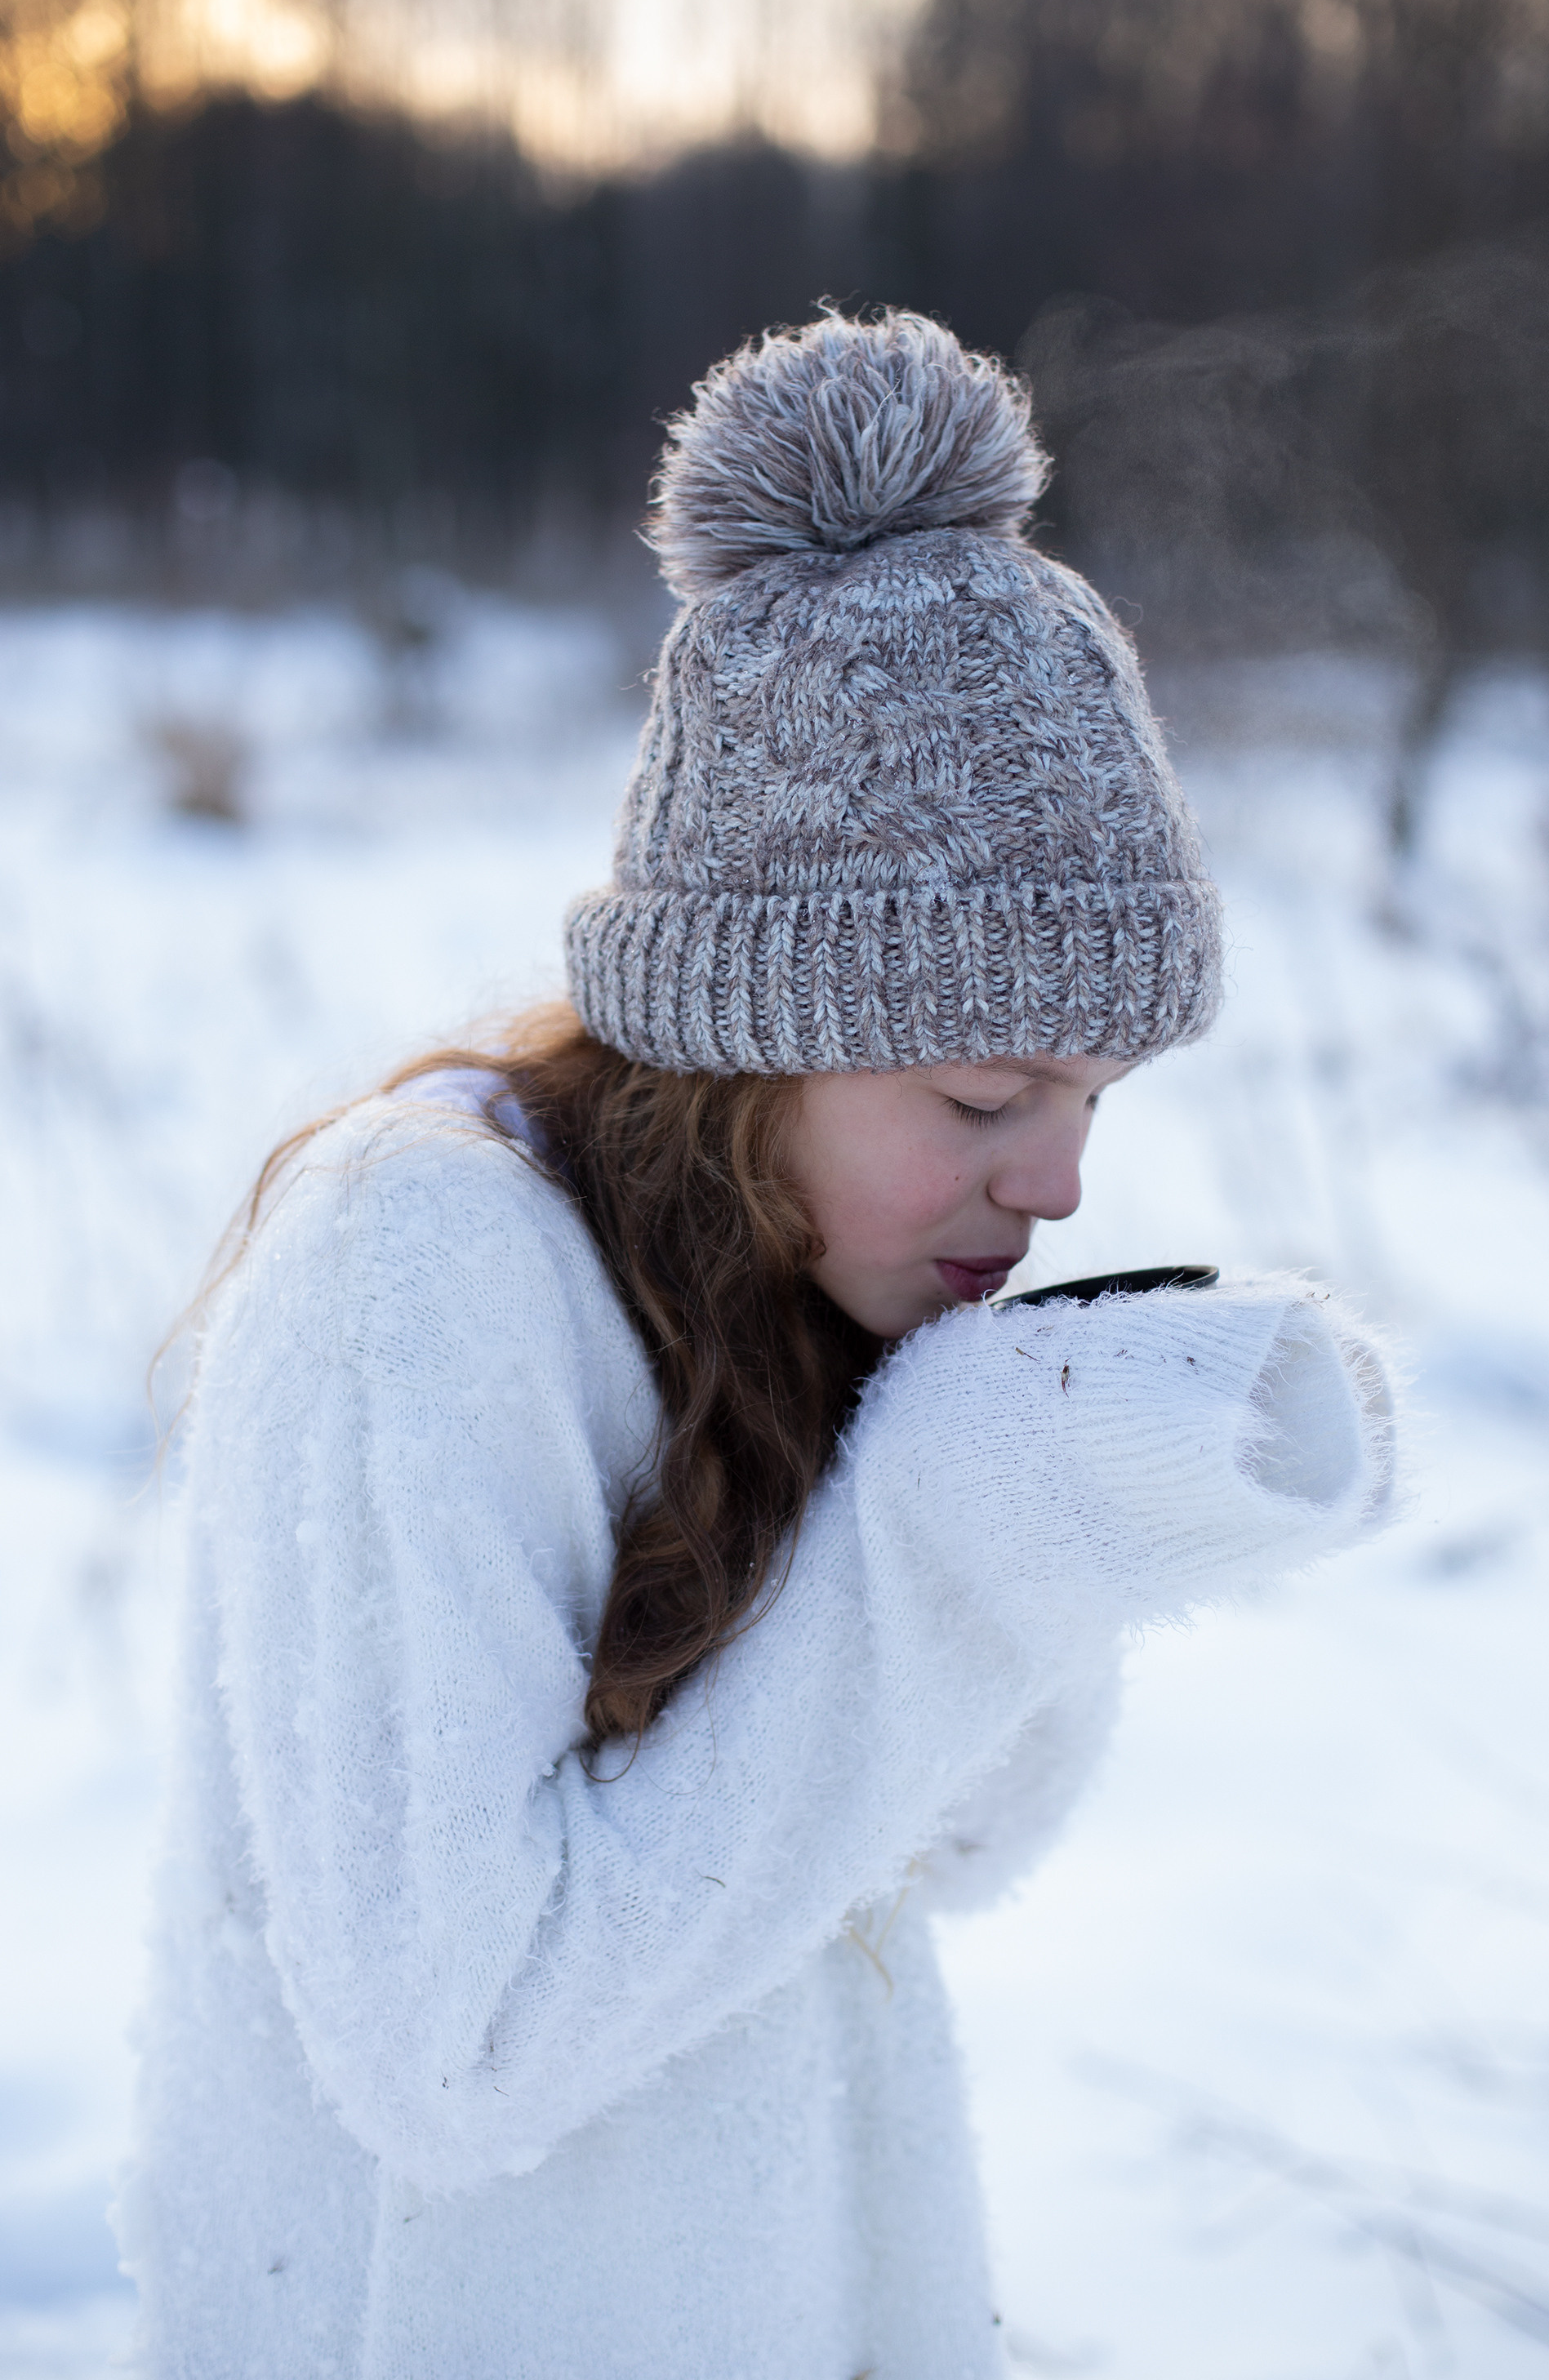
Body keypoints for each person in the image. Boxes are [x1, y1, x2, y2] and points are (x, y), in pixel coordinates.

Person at [119, 310, 1394, 2380]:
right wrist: (946, 1539)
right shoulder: (421, 1276)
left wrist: (1048, 1518)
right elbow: (458, 2049)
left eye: (1094, 1097)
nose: (1059, 1180)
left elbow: (953, 1854)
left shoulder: (806, 1274)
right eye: (985, 1098)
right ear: (749, 1041)